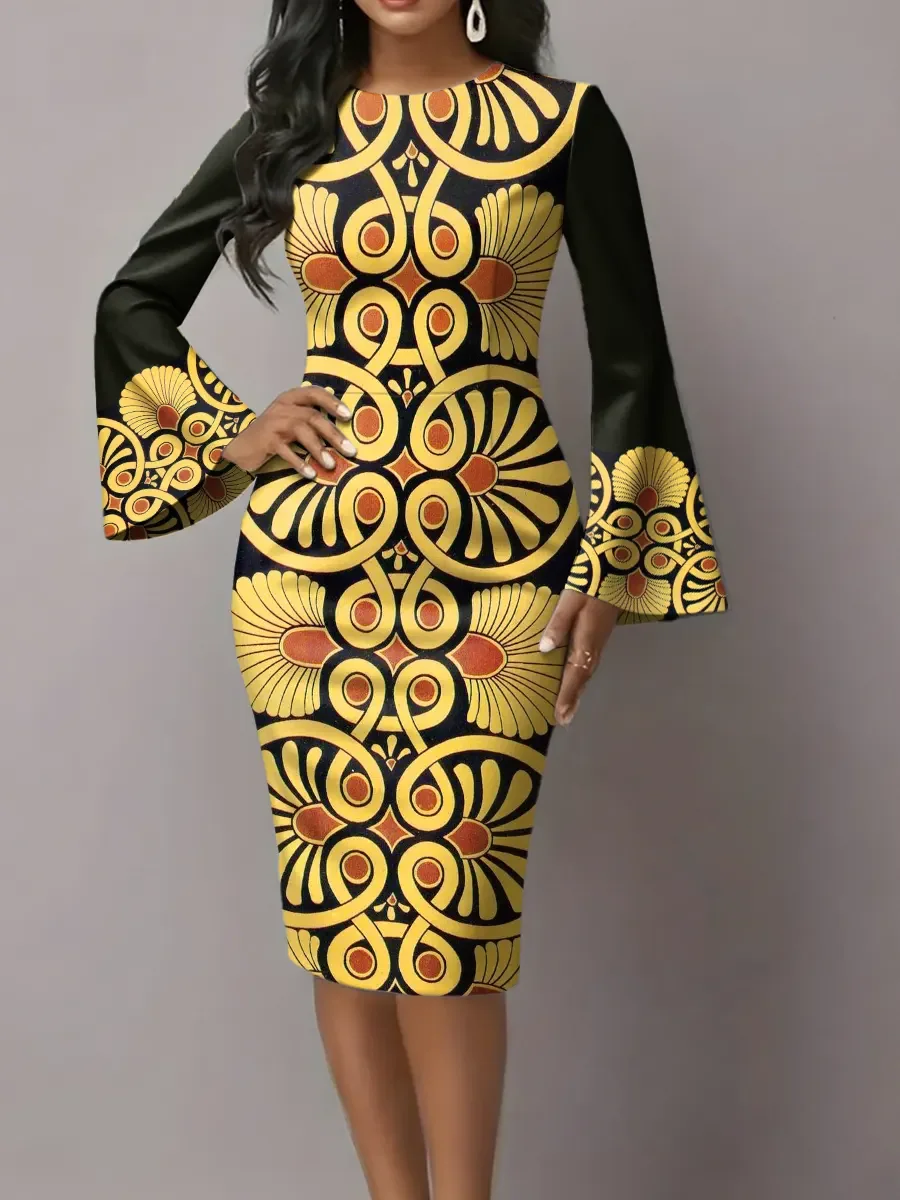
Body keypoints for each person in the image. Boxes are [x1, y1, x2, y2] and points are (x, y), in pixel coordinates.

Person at [93, 0, 728, 1195]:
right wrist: (235, 437)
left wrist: (615, 568)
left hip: (501, 572)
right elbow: (131, 299)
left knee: (453, 931)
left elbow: (634, 356)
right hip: (307, 588)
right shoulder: (293, 126)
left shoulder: (561, 126)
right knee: (343, 927)